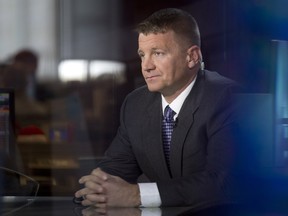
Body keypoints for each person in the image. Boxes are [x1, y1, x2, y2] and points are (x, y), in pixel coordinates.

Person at [75, 8, 240, 211]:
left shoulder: (227, 98)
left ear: (192, 57)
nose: (146, 66)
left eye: (158, 53)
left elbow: (222, 182)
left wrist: (136, 195)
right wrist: (99, 187)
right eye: (142, 55)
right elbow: (115, 169)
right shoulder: (135, 103)